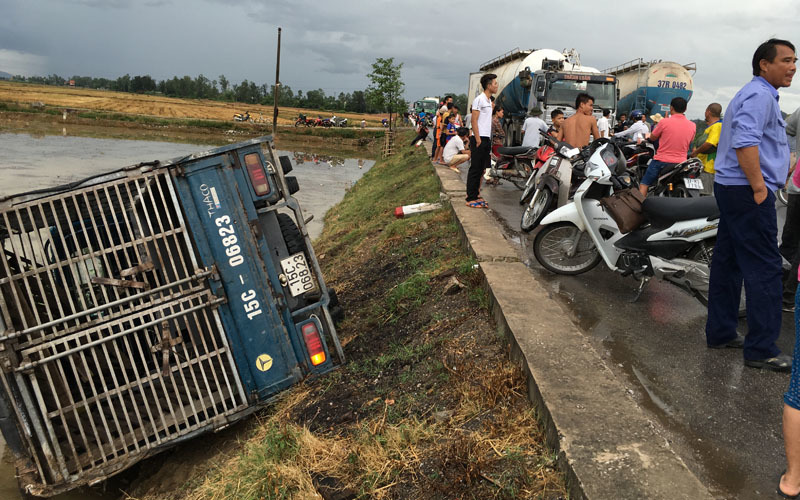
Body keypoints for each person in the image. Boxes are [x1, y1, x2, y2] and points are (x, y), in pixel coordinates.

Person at [706, 38, 796, 374]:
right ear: (764, 64)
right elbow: (746, 142)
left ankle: (721, 331)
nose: (792, 67)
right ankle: (761, 349)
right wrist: (760, 187)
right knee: (765, 269)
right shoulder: (759, 95)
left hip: (732, 188)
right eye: (786, 60)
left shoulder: (755, 93)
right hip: (747, 190)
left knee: (728, 262)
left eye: (795, 60)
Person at [637, 97, 695, 196]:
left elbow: (653, 137)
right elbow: (690, 141)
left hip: (662, 161)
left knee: (644, 183)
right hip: (681, 163)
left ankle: (639, 209)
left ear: (671, 108)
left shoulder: (664, 122)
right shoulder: (692, 125)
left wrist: (648, 140)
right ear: (685, 109)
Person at [467, 73, 498, 208]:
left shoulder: (489, 101)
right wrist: (478, 138)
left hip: (486, 138)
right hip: (478, 138)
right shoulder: (479, 100)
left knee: (481, 169)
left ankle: (477, 194)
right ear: (488, 85)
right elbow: (474, 120)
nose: (497, 86)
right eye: (495, 84)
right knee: (475, 168)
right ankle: (470, 198)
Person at [781, 106, 800, 314]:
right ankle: (788, 299)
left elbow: (786, 129)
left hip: (797, 185)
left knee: (789, 241)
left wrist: (793, 156)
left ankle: (775, 290)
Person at [690, 103, 723, 196]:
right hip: (703, 165)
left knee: (705, 195)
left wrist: (696, 152)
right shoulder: (712, 126)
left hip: (709, 167)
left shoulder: (717, 126)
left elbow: (709, 143)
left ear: (708, 112)